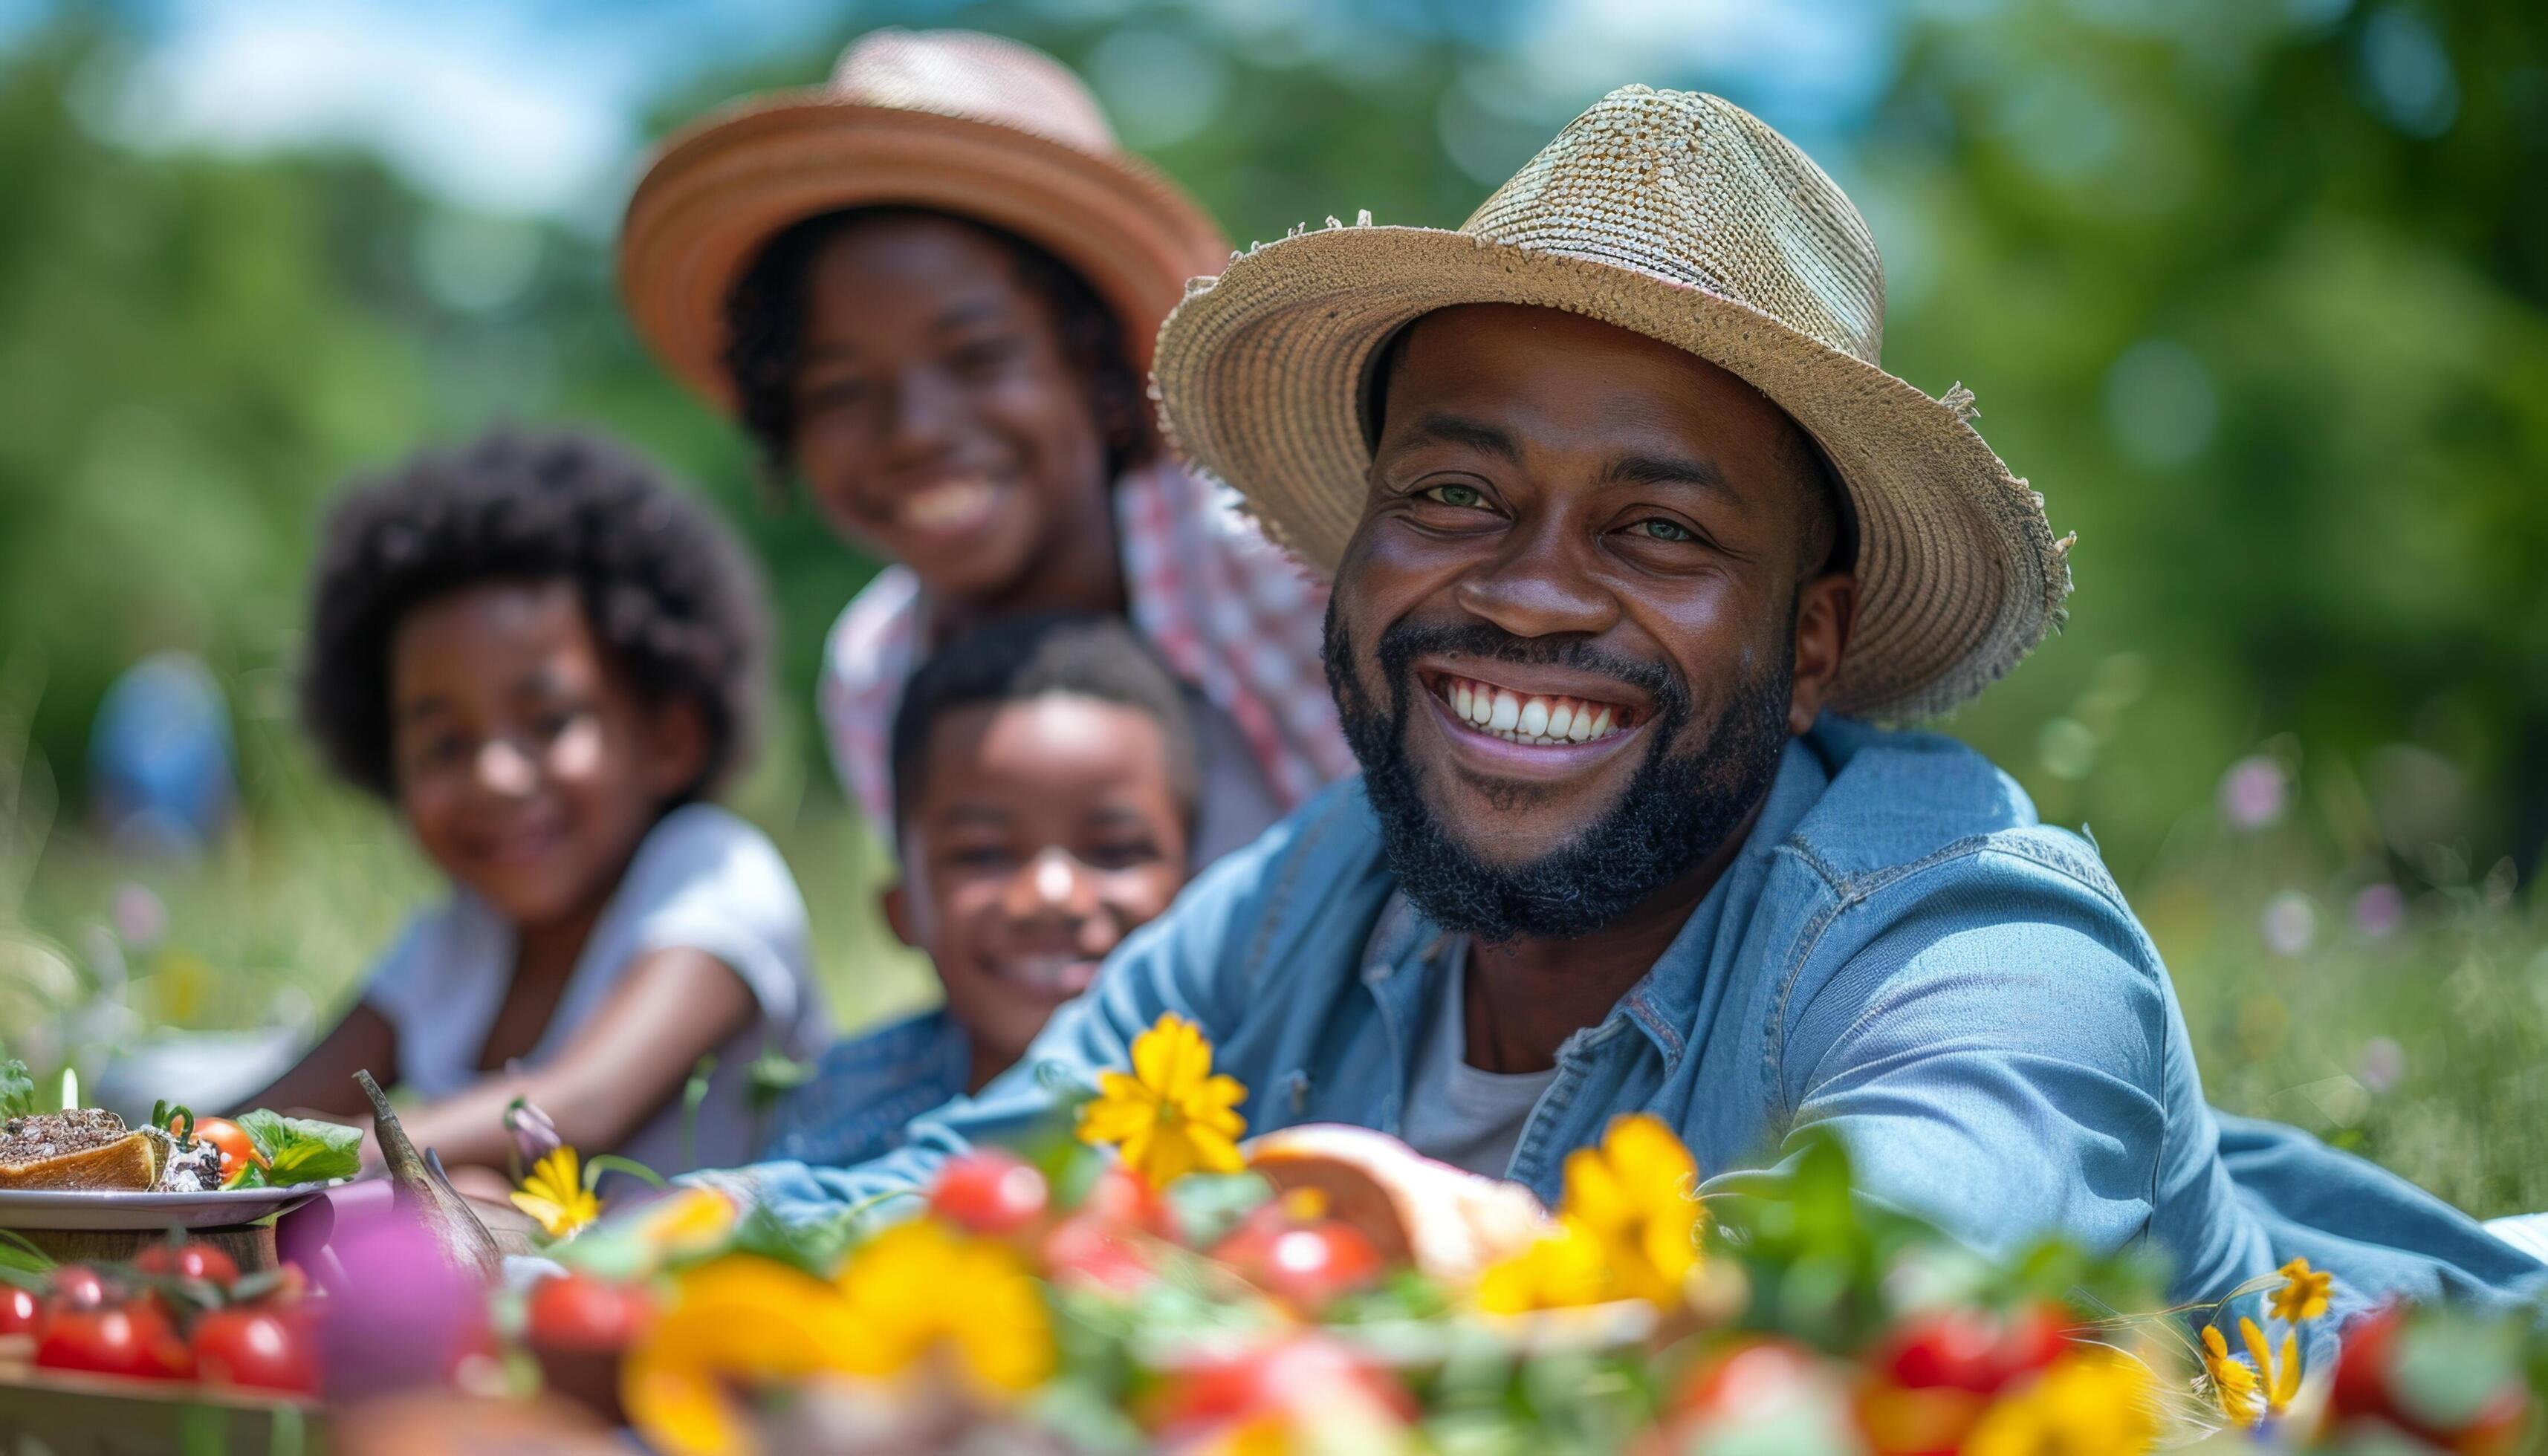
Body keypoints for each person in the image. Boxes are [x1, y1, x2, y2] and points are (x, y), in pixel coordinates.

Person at [698, 86, 2548, 1333]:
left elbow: (1873, 1281)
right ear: (1345, 557)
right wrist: (558, 1250)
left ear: (1809, 644)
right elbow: (951, 1176)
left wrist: (1370, 1247)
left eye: (1658, 528)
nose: (1521, 589)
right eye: (1447, 497)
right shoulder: (1302, 893)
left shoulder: (1960, 920)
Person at [618, 28, 1352, 867]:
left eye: (980, 358)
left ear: (1099, 362)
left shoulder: (1280, 566)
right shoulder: (878, 674)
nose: (916, 429)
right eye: (839, 390)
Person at [240, 429, 823, 1180]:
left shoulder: (715, 875)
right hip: (536, 1284)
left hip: (711, 1283)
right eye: (445, 746)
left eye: (549, 724)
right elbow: (268, 1112)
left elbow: (577, 1106)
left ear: (669, 738)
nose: (496, 776)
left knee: (453, 1199)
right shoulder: (455, 940)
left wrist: (312, 1155)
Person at [760, 612, 1199, 1166]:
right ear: (901, 911)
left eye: (1113, 851)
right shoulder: (841, 1105)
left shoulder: (1255, 1090)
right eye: (984, 854)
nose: (1052, 894)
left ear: (1199, 894)